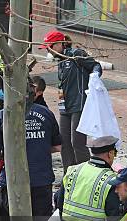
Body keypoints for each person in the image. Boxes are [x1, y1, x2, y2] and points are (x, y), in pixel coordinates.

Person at [0, 91, 62, 221]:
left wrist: (8, 156)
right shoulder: (46, 113)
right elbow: (57, 146)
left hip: (14, 180)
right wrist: (40, 147)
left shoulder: (3, 115)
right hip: (41, 179)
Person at [40, 30, 102, 171]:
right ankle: (69, 174)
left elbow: (95, 65)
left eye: (50, 46)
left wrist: (95, 77)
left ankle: (86, 173)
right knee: (64, 142)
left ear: (59, 44)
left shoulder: (76, 54)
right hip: (65, 106)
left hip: (79, 104)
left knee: (77, 142)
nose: (48, 51)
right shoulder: (61, 61)